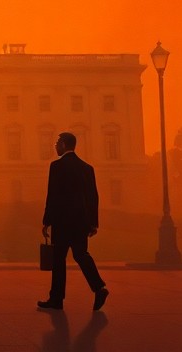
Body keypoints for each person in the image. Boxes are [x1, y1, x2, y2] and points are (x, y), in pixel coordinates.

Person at [38, 131, 108, 312]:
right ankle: (99, 288)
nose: (55, 145)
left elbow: (52, 196)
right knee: (81, 254)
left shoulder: (56, 166)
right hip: (80, 222)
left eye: (57, 142)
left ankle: (56, 299)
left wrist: (47, 220)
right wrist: (93, 222)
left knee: (58, 260)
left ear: (64, 145)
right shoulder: (87, 168)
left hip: (62, 222)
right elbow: (93, 197)